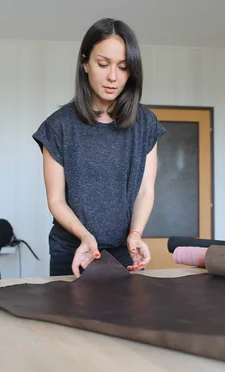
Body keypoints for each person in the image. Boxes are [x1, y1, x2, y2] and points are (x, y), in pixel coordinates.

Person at [32, 18, 166, 277]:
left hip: (124, 251)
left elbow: (145, 191)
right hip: (72, 250)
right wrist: (84, 236)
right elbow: (56, 199)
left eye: (123, 67)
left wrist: (136, 234)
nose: (113, 77)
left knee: (122, 317)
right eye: (103, 64)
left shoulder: (146, 124)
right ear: (85, 62)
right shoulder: (58, 127)